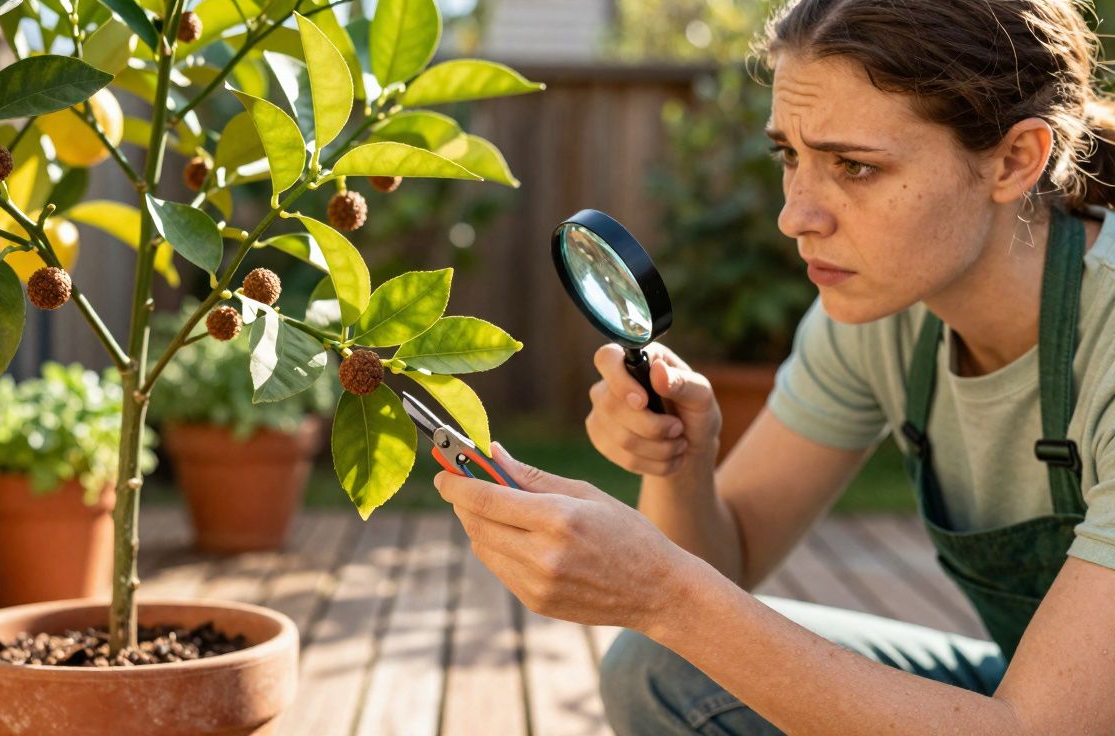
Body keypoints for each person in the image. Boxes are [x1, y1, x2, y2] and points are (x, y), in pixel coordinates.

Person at [431, 0, 1115, 732]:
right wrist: (681, 466)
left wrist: (664, 593)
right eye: (790, 156)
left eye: (855, 166)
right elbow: (724, 566)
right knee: (660, 668)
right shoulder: (885, 320)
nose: (795, 216)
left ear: (1015, 160)